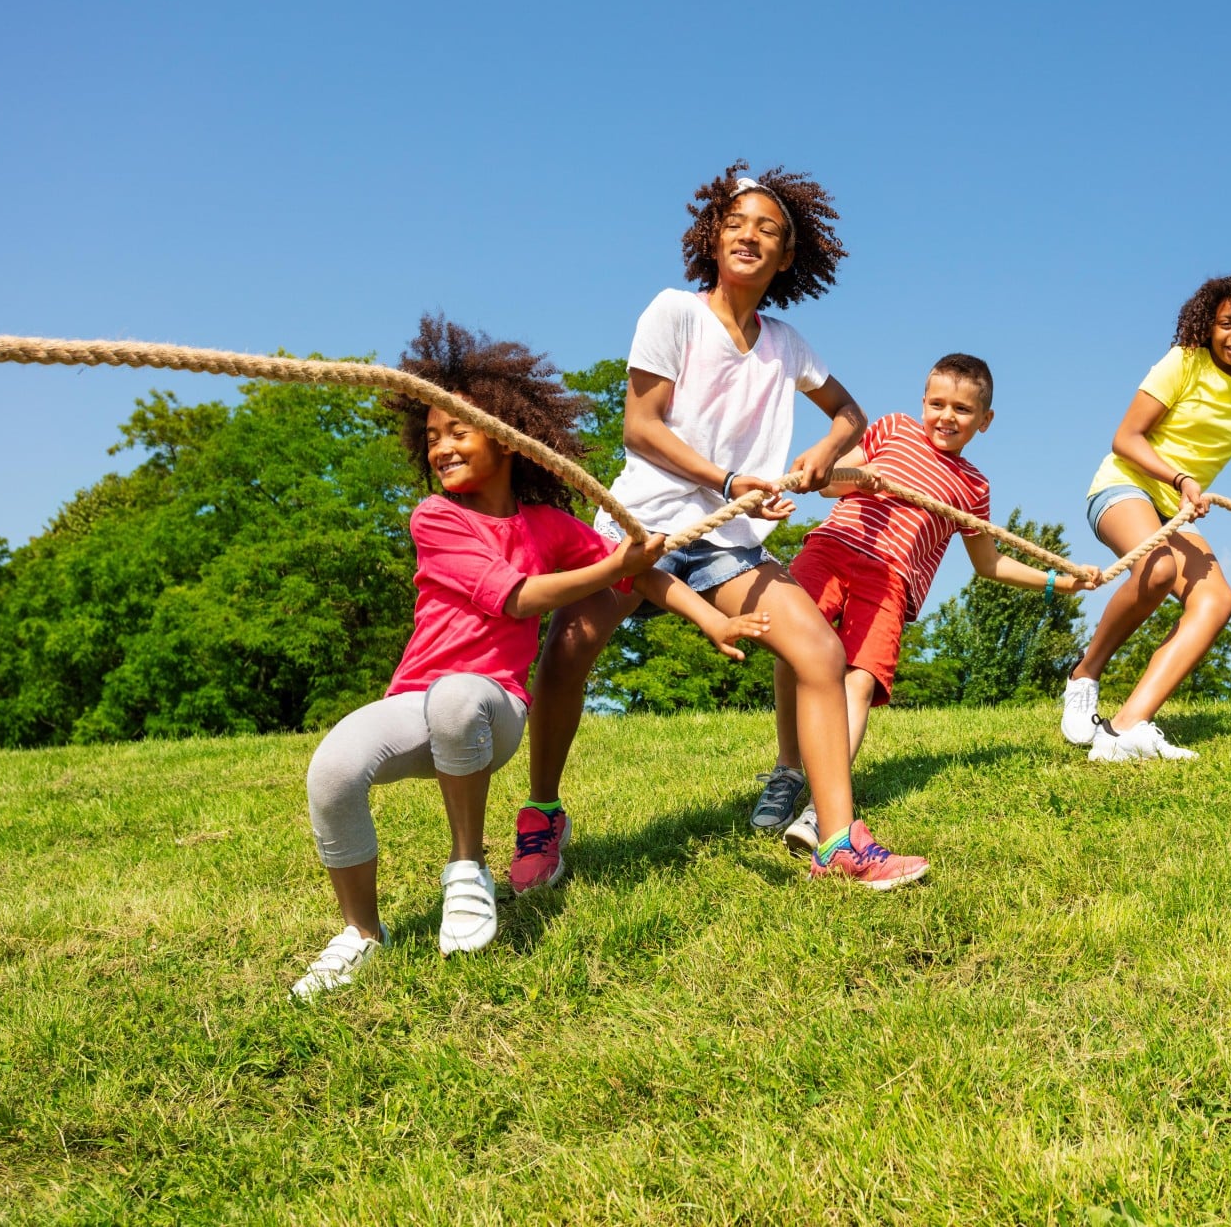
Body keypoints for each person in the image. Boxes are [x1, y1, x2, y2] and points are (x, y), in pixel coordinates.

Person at [291, 316, 766, 999]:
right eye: (430, 438)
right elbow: (516, 598)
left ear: (508, 438)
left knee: (459, 696)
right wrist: (613, 570)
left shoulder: (548, 527)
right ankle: (361, 934)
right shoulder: (436, 518)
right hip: (413, 703)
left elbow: (641, 574)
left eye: (458, 431)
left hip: (493, 709)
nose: (441, 449)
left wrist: (711, 617)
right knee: (332, 771)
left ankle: (466, 869)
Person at [526, 162, 930, 891]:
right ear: (711, 237)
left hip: (729, 542)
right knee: (568, 650)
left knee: (818, 652)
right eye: (736, 223)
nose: (749, 235)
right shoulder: (672, 314)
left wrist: (821, 455)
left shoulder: (787, 344)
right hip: (644, 522)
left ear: (786, 257)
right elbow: (640, 429)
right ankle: (543, 815)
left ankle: (837, 840)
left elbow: (850, 415)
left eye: (768, 230)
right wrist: (727, 479)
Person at [750, 353, 1090, 851]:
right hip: (834, 547)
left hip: (891, 579)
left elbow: (988, 563)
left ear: (985, 420)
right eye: (937, 403)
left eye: (962, 409)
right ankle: (788, 769)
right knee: (793, 647)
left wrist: (1060, 582)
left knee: (860, 681)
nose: (947, 416)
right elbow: (828, 484)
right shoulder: (892, 430)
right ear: (922, 402)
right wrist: (861, 478)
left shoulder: (973, 487)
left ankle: (822, 811)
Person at [1061, 274, 1231, 761]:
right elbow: (1127, 438)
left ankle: (1124, 731)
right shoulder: (1183, 362)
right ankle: (1084, 675)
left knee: (1218, 602)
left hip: (1176, 509)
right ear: (1208, 324)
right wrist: (1181, 479)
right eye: (1226, 323)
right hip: (1125, 486)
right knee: (1156, 569)